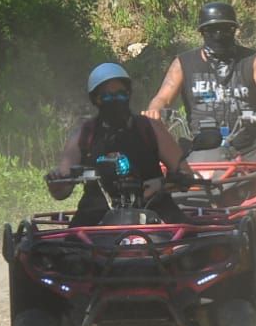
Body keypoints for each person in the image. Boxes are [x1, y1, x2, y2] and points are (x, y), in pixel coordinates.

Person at [142, 1, 256, 166]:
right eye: (212, 30)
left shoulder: (253, 60)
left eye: (225, 29)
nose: (218, 35)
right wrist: (154, 111)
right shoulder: (183, 63)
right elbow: (163, 97)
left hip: (252, 141)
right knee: (179, 174)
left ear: (234, 30)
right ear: (202, 32)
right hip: (204, 145)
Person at [47, 63, 189, 226]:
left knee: (191, 246)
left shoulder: (150, 128)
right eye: (107, 96)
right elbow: (62, 190)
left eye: (121, 94)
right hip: (96, 214)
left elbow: (186, 174)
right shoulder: (85, 135)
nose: (115, 101)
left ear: (129, 94)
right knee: (66, 250)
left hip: (155, 209)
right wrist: (56, 184)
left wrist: (161, 184)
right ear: (95, 99)